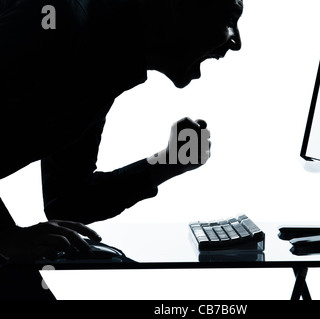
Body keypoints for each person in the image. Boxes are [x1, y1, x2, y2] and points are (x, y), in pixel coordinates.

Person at [0, 0, 243, 262]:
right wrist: (5, 238)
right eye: (229, 17)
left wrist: (167, 163)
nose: (236, 42)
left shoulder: (104, 63)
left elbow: (68, 199)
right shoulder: (60, 21)